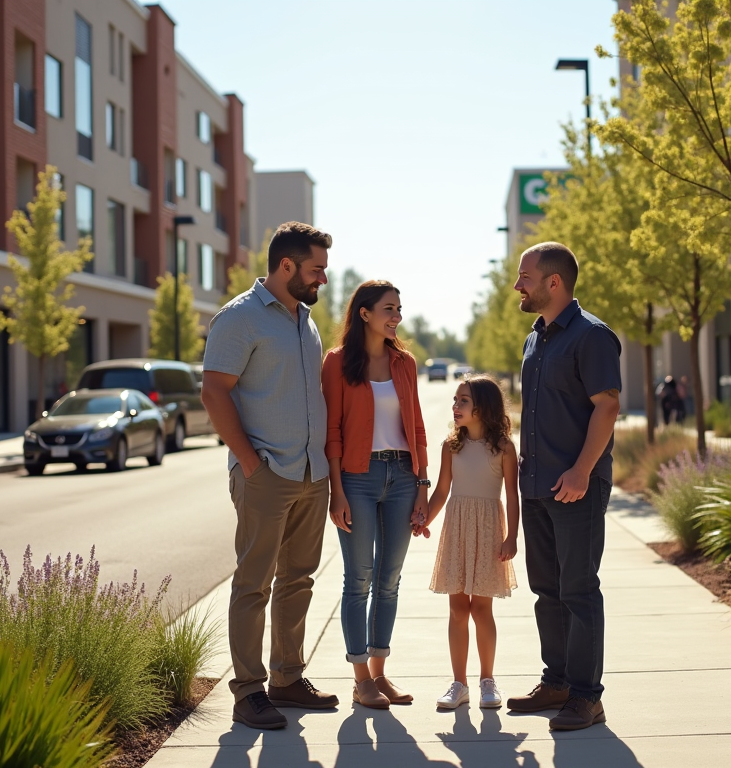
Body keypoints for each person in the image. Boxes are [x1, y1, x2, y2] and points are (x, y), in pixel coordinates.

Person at [201, 221, 338, 730]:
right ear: (286, 266)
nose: (322, 279)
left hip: (310, 473)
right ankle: (249, 690)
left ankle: (286, 678)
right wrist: (249, 462)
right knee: (254, 582)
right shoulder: (239, 318)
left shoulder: (304, 319)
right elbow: (214, 392)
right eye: (316, 269)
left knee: (297, 580)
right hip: (267, 471)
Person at [507, 241, 621, 731]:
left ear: (554, 282)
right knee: (547, 590)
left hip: (576, 487)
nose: (518, 285)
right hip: (535, 486)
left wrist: (581, 470)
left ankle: (586, 696)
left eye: (525, 276)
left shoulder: (591, 336)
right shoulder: (537, 336)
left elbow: (607, 406)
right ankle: (556, 682)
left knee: (578, 590)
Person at [322, 280, 430, 709]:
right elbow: (332, 432)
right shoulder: (336, 363)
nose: (396, 317)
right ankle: (360, 678)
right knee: (359, 579)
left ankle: (380, 674)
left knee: (389, 580)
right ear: (364, 313)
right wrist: (337, 491)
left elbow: (417, 426)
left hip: (403, 476)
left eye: (399, 309)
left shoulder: (405, 363)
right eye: (389, 308)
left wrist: (423, 485)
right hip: (358, 478)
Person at [417, 375, 519, 710]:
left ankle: (487, 680)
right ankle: (458, 684)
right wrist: (424, 520)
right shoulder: (451, 446)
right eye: (455, 400)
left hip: (489, 530)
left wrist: (512, 536)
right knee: (458, 608)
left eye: (463, 401)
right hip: (458, 528)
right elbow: (443, 491)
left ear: (483, 407)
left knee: (482, 609)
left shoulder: (503, 447)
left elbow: (512, 496)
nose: (455, 406)